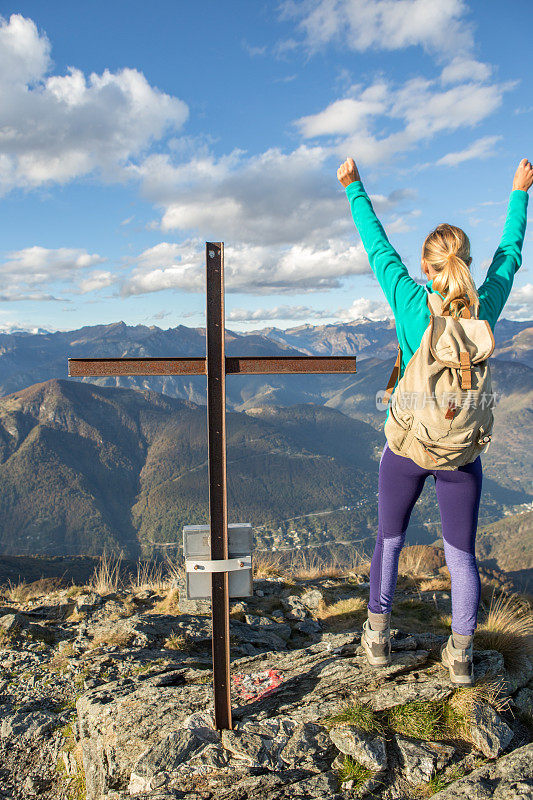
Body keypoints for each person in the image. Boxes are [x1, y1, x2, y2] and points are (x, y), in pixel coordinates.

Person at [337, 156, 532, 685]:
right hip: (462, 455)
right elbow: (510, 256)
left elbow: (377, 248)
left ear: (427, 269)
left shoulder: (411, 305)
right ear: (466, 262)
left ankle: (377, 638)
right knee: (461, 555)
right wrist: (520, 192)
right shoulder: (484, 312)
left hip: (406, 447)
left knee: (390, 540)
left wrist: (354, 186)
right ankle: (462, 654)